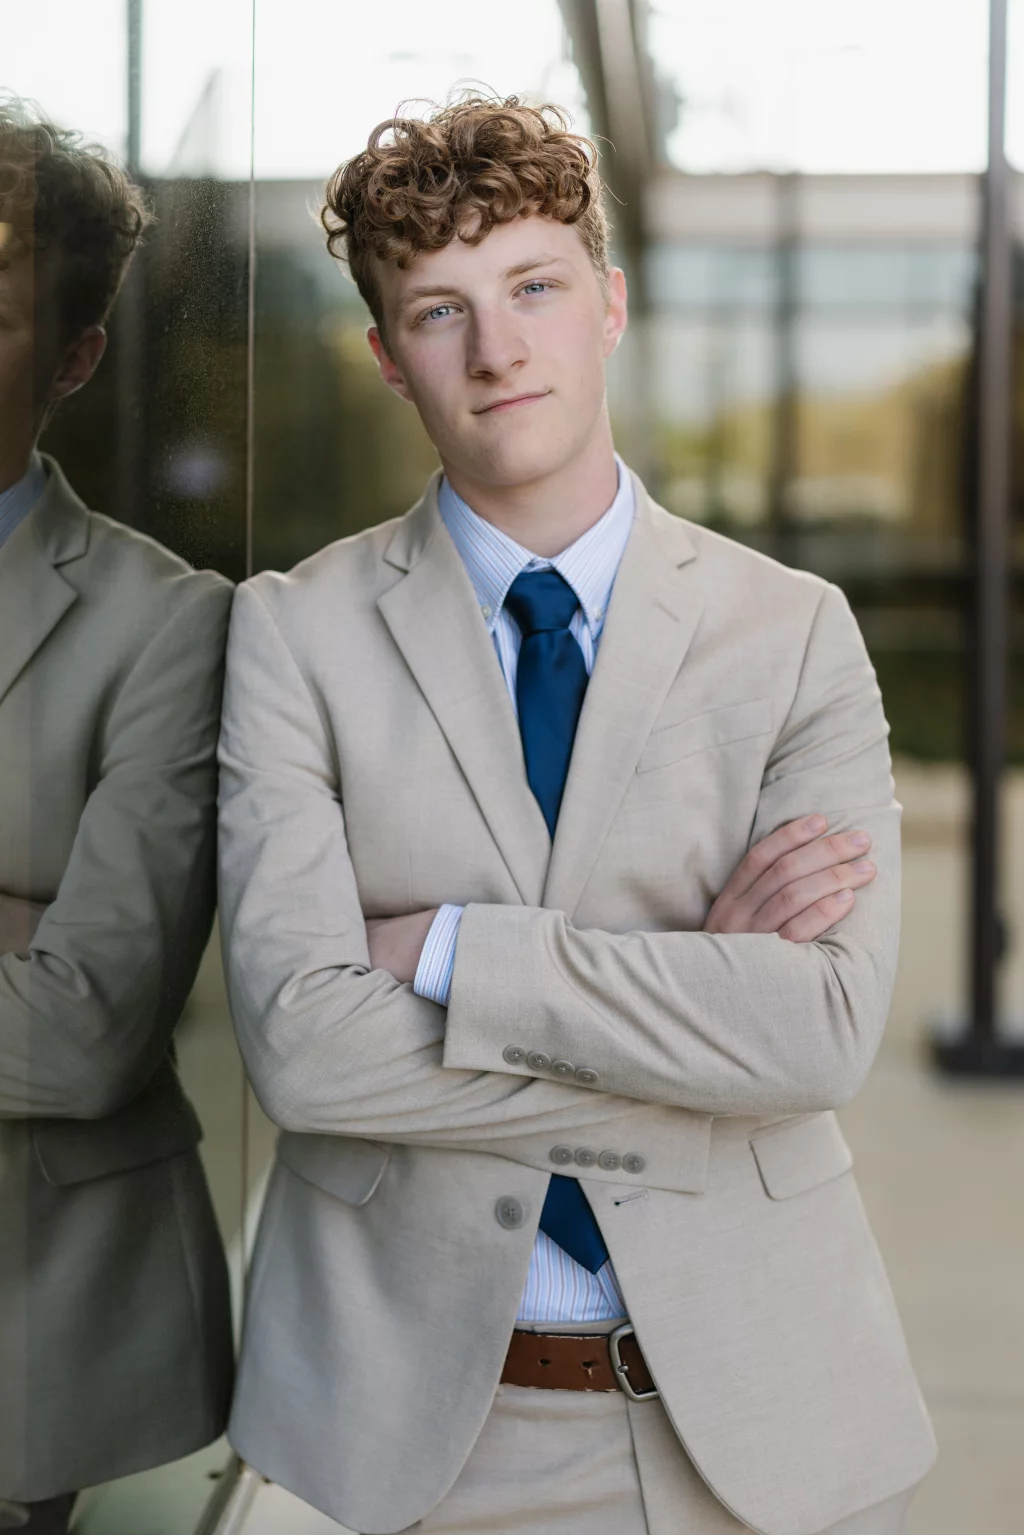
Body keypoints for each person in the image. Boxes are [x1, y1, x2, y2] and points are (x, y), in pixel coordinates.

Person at [217, 95, 936, 1534]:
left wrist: (445, 951)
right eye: (440, 311)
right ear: (386, 359)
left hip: (754, 1412)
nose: (497, 348)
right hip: (412, 1422)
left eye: (534, 287)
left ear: (607, 305)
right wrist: (693, 1029)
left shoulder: (793, 631)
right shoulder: (292, 633)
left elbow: (817, 1034)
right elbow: (300, 1049)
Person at [0, 99, 233, 1533]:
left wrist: (45, 964)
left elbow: (81, 1034)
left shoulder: (167, 627)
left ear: (75, 358)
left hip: (23, 1333)